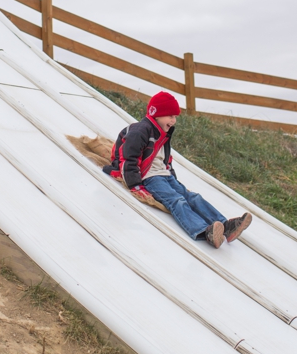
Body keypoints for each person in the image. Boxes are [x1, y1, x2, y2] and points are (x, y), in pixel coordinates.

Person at [103, 91, 251, 248]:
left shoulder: (163, 133)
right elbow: (128, 157)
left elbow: (166, 159)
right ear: (156, 114)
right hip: (150, 178)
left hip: (164, 176)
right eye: (170, 116)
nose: (173, 121)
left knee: (193, 197)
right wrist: (135, 185)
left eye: (175, 117)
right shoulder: (141, 130)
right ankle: (204, 231)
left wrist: (172, 176)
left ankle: (225, 226)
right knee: (176, 200)